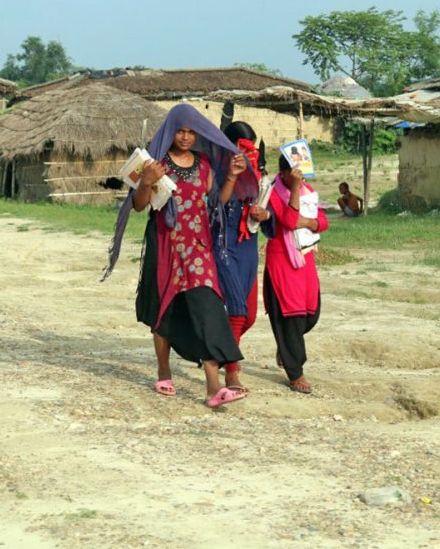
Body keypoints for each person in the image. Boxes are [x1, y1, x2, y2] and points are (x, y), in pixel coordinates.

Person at [102, 104, 257, 408]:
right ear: (170, 132)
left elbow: (216, 203)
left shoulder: (203, 165)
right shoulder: (154, 164)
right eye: (180, 131)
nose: (185, 137)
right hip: (167, 246)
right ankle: (163, 369)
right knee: (165, 309)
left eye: (190, 132)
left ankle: (213, 389)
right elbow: (139, 206)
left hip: (199, 249)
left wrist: (232, 178)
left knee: (209, 309)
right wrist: (147, 181)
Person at [261, 154, 328, 393]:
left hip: (306, 258)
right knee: (291, 315)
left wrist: (309, 223)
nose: (298, 176)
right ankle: (295, 372)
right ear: (283, 172)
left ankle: (285, 345)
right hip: (282, 259)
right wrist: (296, 190)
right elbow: (289, 221)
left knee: (311, 313)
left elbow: (322, 221)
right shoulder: (274, 193)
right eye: (293, 172)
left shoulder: (309, 190)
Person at [214, 121, 271, 392]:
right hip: (223, 246)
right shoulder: (217, 171)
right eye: (241, 147)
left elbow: (271, 224)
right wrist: (233, 175)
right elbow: (215, 206)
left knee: (248, 318)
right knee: (236, 310)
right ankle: (231, 372)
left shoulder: (262, 177)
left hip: (249, 248)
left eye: (250, 148)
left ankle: (215, 352)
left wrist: (266, 215)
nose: (246, 153)